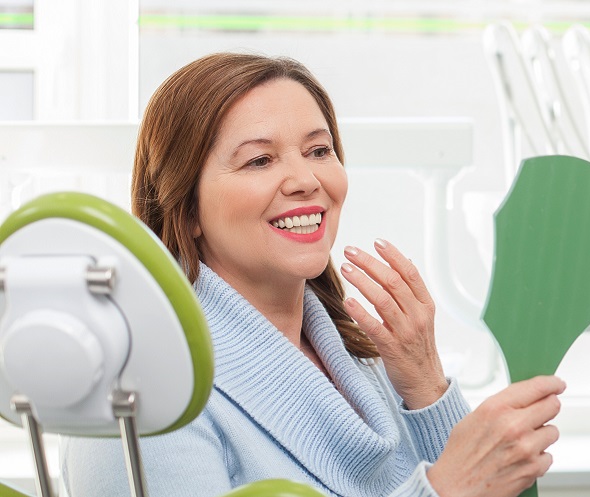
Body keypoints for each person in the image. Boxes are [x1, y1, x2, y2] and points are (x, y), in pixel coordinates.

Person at [62, 53, 563, 497]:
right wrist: (444, 491)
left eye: (319, 151)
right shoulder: (137, 396)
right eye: (259, 160)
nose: (306, 180)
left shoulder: (362, 358)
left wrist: (428, 388)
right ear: (187, 209)